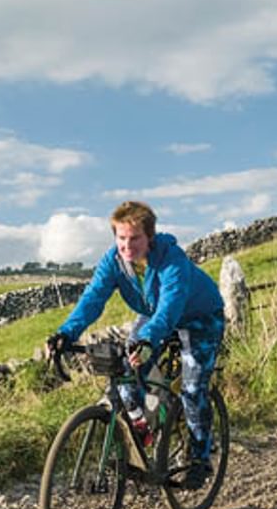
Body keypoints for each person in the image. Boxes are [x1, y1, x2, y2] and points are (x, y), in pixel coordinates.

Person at [46, 200, 225, 489]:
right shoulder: (113, 262)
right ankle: (148, 425)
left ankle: (200, 456)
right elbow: (93, 299)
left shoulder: (171, 259)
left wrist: (146, 339)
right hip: (155, 317)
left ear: (149, 237)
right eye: (121, 238)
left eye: (135, 238)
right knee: (127, 374)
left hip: (198, 318)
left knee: (193, 389)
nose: (127, 245)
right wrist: (67, 333)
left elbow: (170, 306)